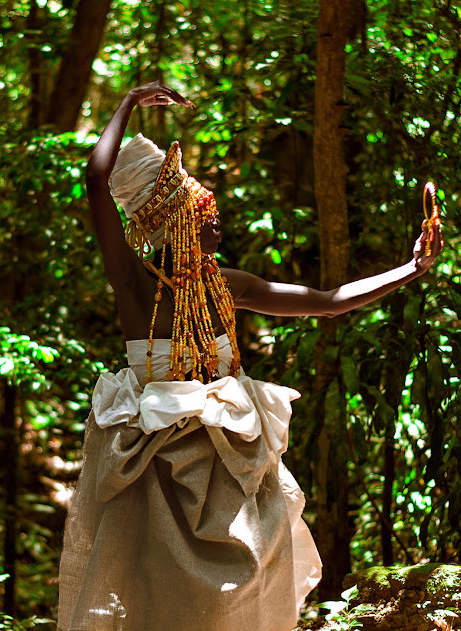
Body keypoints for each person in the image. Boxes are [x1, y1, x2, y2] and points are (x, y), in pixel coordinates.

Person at [57, 82, 443, 631]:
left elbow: (326, 303)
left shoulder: (224, 284)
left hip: (230, 457)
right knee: (163, 599)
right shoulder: (137, 288)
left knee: (240, 588)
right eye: (202, 205)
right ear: (174, 217)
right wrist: (131, 100)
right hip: (160, 468)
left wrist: (413, 269)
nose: (216, 215)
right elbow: (96, 178)